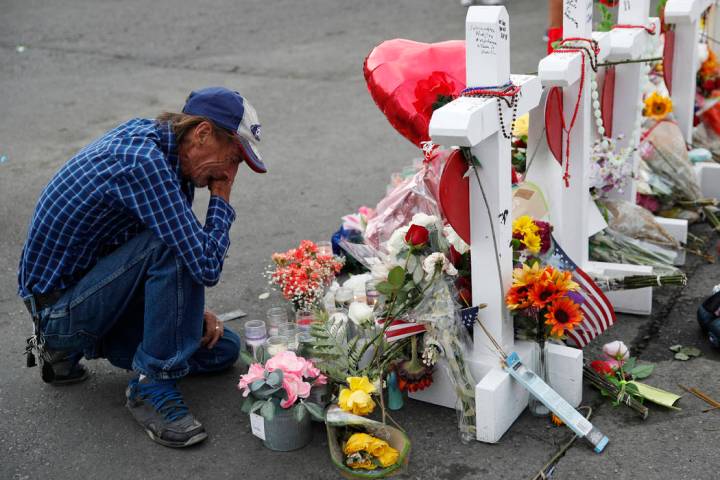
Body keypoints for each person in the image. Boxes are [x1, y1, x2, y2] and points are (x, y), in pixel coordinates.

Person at [18, 86, 265, 448]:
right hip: (59, 310)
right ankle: (152, 385)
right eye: (233, 158)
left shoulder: (171, 156)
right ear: (202, 133)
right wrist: (221, 199)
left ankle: (64, 354)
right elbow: (203, 265)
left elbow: (175, 258)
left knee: (222, 348)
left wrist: (187, 312)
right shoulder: (144, 163)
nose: (229, 173)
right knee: (171, 248)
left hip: (89, 289)